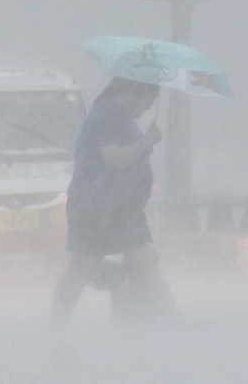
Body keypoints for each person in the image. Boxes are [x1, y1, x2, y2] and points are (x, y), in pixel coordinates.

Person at [50, 76, 179, 327]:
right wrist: (146, 142)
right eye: (149, 100)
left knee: (144, 259)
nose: (148, 108)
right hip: (97, 204)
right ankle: (57, 325)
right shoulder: (108, 114)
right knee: (83, 265)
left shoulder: (119, 117)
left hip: (122, 204)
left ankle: (169, 321)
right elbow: (113, 157)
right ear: (133, 92)